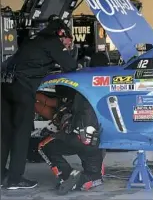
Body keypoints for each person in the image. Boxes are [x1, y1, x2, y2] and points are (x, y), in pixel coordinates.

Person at [1, 15, 78, 190]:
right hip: (22, 89)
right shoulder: (53, 43)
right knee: (21, 134)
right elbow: (71, 66)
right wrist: (67, 51)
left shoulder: (34, 40)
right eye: (67, 40)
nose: (67, 43)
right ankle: (14, 179)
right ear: (61, 34)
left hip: (5, 86)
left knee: (5, 133)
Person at [37, 53, 107, 195]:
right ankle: (92, 177)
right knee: (93, 174)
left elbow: (50, 102)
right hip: (99, 143)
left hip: (78, 137)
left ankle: (68, 175)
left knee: (43, 146)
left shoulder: (81, 83)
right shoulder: (111, 85)